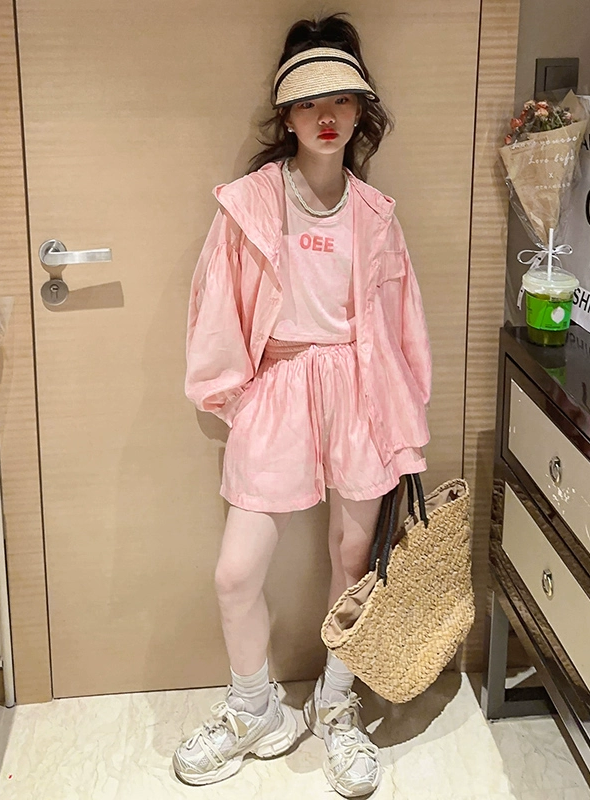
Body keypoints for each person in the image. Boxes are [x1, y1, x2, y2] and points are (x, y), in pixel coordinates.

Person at [175, 12, 431, 798]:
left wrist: (402, 419)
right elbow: (216, 312)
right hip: (278, 390)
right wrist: (241, 400)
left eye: (342, 100)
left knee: (353, 562)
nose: (327, 116)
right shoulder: (251, 206)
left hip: (360, 392)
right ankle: (253, 707)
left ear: (360, 111)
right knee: (234, 573)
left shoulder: (375, 215)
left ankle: (337, 706)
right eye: (309, 102)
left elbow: (403, 328)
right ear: (286, 114)